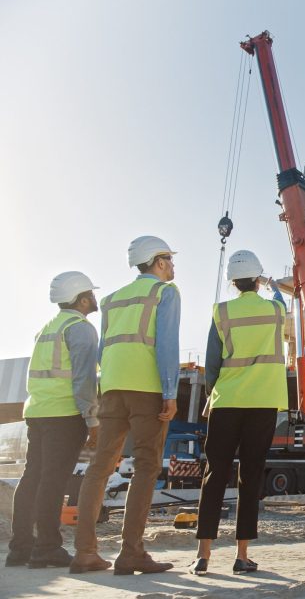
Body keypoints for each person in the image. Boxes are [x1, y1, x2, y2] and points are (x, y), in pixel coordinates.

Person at [70, 236, 180, 575]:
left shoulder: (112, 299)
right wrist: (170, 392)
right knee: (146, 466)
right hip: (146, 389)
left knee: (100, 467)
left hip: (113, 388)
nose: (173, 266)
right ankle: (130, 552)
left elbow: (104, 349)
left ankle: (85, 553)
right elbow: (166, 346)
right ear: (159, 263)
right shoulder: (165, 293)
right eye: (170, 260)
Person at [188, 250, 286, 576]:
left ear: (233, 281)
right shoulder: (274, 310)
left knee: (214, 474)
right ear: (257, 279)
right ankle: (242, 556)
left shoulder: (221, 312)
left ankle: (203, 554)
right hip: (262, 402)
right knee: (251, 476)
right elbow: (282, 302)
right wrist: (273, 286)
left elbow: (212, 362)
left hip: (226, 401)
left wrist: (209, 395)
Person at [7, 272, 101, 568]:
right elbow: (84, 379)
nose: (94, 298)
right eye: (91, 293)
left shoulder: (46, 329)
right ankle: (47, 547)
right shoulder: (80, 328)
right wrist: (92, 419)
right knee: (53, 480)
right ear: (83, 298)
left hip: (37, 411)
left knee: (32, 477)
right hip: (64, 413)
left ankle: (20, 548)